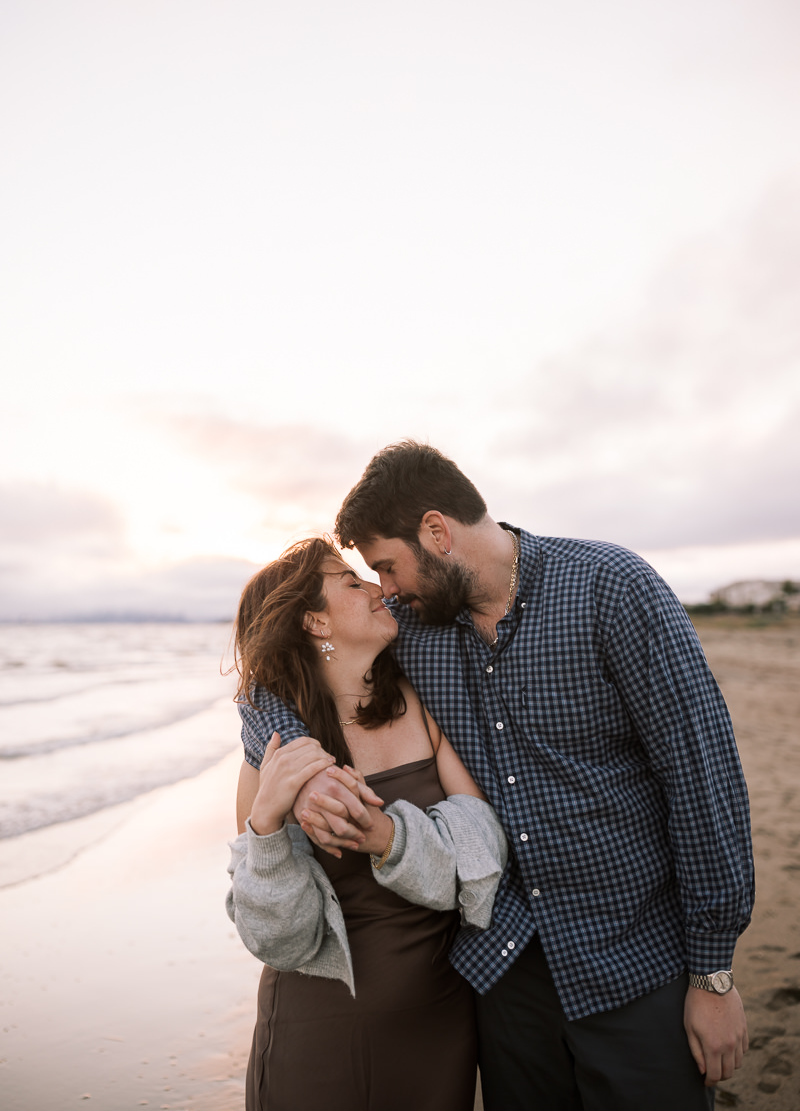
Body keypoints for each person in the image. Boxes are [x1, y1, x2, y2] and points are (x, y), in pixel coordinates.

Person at [239, 442, 755, 1111]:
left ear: (436, 532)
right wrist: (305, 772)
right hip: (505, 976)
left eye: (388, 567)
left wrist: (712, 974)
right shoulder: (414, 627)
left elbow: (703, 778)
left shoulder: (611, 587)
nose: (386, 589)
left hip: (633, 965)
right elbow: (273, 681)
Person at [226, 535, 507, 1111]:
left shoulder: (419, 705)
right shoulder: (274, 755)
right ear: (314, 622)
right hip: (318, 1026)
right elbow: (276, 937)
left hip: (437, 1020)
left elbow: (483, 845)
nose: (377, 587)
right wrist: (266, 831)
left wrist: (387, 838)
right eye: (351, 582)